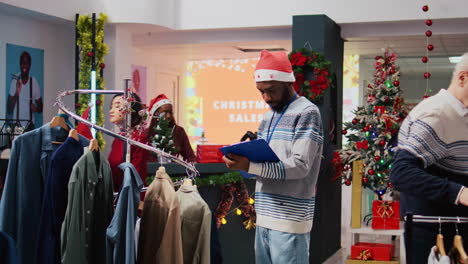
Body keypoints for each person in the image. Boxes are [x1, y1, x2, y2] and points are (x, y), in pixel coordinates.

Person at [222, 50, 323, 264]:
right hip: (264, 217)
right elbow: (266, 163)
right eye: (261, 92)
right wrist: (242, 162)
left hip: (290, 220)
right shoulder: (268, 117)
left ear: (288, 83)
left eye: (271, 91)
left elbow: (300, 166)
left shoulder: (307, 112)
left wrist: (251, 165)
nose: (266, 98)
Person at [390, 52, 468, 262]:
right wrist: (460, 193)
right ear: (463, 78)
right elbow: (401, 174)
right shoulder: (436, 115)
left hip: (454, 225)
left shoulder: (462, 114)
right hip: (434, 230)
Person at [108, 93, 149, 191]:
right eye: (111, 107)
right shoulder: (118, 138)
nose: (111, 111)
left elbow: (138, 175)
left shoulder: (138, 139)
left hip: (130, 197)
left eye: (117, 106)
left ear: (130, 110)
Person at [147, 94, 197, 162]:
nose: (168, 116)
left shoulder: (179, 132)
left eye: (170, 112)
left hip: (174, 171)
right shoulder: (146, 134)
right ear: (156, 114)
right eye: (164, 112)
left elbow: (190, 157)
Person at [6, 51, 43, 126]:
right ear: (20, 64)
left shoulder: (34, 82)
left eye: (27, 62)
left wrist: (36, 109)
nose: (24, 65)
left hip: (30, 126)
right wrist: (17, 93)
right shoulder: (15, 80)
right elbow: (9, 109)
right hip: (17, 125)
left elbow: (40, 108)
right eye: (22, 62)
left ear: (30, 65)